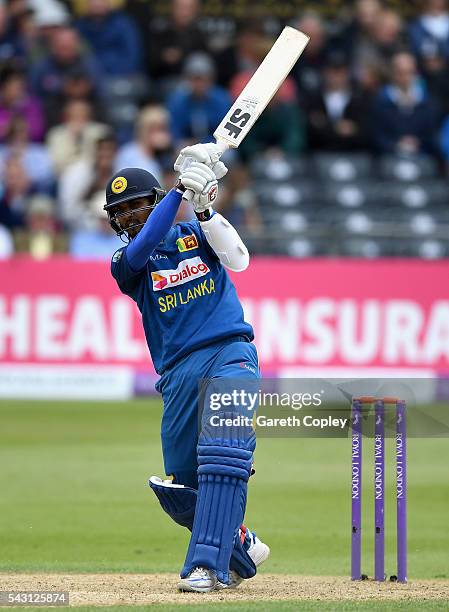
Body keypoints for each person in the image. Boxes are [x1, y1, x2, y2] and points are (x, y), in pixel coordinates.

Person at [105, 142, 269, 592]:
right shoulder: (125, 264)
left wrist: (204, 209)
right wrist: (180, 192)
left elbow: (239, 260)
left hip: (229, 352)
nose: (132, 216)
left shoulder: (197, 235)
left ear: (153, 202)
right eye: (122, 211)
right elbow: (145, 245)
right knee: (179, 491)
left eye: (139, 205)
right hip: (176, 375)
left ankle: (205, 567)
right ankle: (238, 543)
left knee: (224, 450)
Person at [370, 52, 439, 154]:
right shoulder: (380, 101)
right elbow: (376, 135)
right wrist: (395, 145)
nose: (405, 78)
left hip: (422, 157)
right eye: (400, 73)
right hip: (389, 158)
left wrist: (418, 143)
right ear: (393, 73)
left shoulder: (427, 101)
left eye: (409, 72)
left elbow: (432, 134)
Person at [167, 53, 231, 145]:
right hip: (187, 146)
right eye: (195, 79)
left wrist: (204, 143)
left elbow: (226, 132)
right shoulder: (177, 101)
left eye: (203, 79)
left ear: (211, 79)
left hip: (215, 145)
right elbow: (174, 130)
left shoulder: (222, 99)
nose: (199, 84)